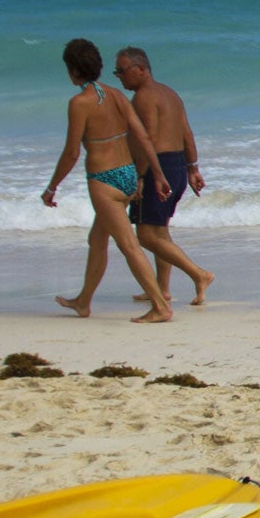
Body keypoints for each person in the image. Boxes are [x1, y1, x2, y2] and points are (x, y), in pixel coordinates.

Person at [41, 39, 173, 322]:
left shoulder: (79, 103)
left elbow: (72, 152)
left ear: (73, 70)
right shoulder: (116, 95)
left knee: (128, 245)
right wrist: (158, 174)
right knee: (97, 239)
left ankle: (161, 307)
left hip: (103, 180)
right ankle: (83, 301)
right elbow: (142, 136)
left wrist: (52, 187)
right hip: (126, 176)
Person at [115, 47, 214, 306]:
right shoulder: (170, 94)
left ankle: (199, 274)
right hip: (177, 164)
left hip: (156, 168)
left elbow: (147, 139)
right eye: (117, 71)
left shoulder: (144, 98)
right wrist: (192, 168)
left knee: (146, 236)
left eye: (123, 70)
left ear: (141, 69)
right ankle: (161, 289)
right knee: (160, 232)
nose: (119, 76)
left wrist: (139, 175)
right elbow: (187, 133)